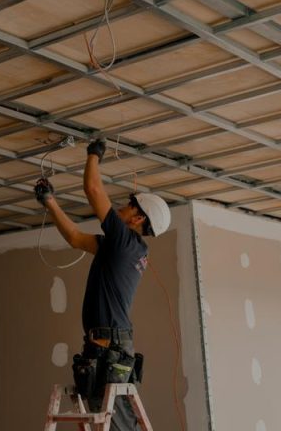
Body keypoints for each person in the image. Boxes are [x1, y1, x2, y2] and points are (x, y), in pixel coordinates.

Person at [34, 137, 171, 429]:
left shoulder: (125, 242)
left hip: (109, 347)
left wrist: (94, 154)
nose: (121, 206)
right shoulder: (121, 247)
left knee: (117, 426)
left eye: (127, 205)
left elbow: (93, 189)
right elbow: (74, 238)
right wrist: (50, 202)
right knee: (116, 424)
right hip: (108, 345)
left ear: (137, 216)